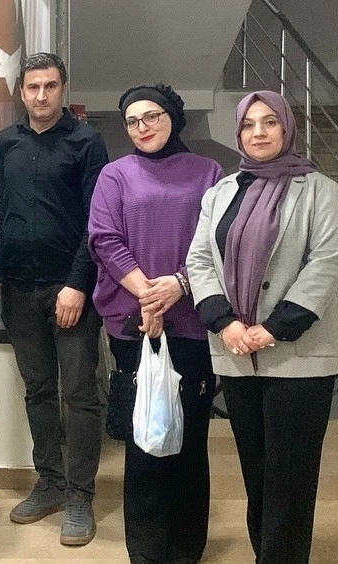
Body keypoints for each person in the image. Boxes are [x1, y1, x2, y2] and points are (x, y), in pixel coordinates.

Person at [187, 90, 338, 563]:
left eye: (269, 122)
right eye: (248, 124)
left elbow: (327, 262)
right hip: (238, 354)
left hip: (298, 356)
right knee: (257, 473)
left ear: (286, 128)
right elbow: (199, 260)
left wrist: (274, 327)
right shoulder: (221, 192)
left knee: (290, 478)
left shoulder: (319, 189)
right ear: (238, 133)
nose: (258, 132)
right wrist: (225, 323)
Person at [88, 83, 223, 563]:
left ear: (173, 116)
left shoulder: (209, 172)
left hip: (193, 322)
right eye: (132, 121)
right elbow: (104, 239)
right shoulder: (114, 175)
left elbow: (217, 243)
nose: (142, 127)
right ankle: (146, 550)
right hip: (134, 323)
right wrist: (148, 294)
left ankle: (186, 548)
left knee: (190, 438)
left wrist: (179, 286)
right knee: (144, 438)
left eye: (152, 116)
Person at [0, 52, 108, 546]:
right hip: (19, 288)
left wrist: (78, 284)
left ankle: (80, 495)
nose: (41, 95)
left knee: (79, 393)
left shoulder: (87, 142)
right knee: (38, 390)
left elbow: (98, 222)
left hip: (71, 288)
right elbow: (2, 210)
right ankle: (50, 482)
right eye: (33, 87)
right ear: (21, 92)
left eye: (50, 86)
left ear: (63, 88)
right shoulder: (6, 143)